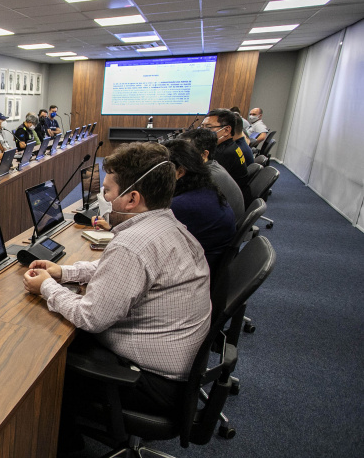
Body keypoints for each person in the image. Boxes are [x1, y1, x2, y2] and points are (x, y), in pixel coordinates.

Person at [22, 142, 211, 440]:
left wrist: (45, 286)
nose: (104, 198)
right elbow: (122, 273)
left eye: (108, 191)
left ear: (132, 198)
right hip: (179, 375)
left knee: (42, 362)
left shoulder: (132, 244)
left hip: (149, 383)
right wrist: (64, 272)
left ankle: (63, 455)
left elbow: (91, 317)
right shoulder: (168, 225)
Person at [162, 139, 236, 276]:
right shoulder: (205, 190)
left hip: (193, 276)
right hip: (207, 266)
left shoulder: (182, 206)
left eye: (159, 170)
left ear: (180, 172)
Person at [179, 127, 245, 221]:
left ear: (204, 155)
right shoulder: (213, 165)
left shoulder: (206, 177)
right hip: (229, 223)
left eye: (185, 152)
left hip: (224, 229)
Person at [202, 109, 251, 205]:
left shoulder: (224, 153)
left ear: (226, 130)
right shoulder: (231, 146)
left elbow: (205, 183)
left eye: (208, 127)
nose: (202, 132)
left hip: (230, 206)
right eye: (202, 127)